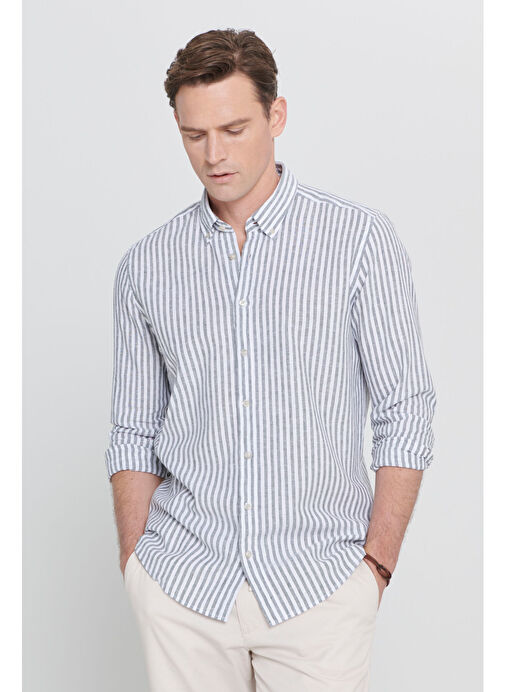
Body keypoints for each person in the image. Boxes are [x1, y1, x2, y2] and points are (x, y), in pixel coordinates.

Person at [104, 27, 437, 692]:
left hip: (318, 586)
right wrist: (137, 564)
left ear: (275, 115)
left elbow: (405, 409)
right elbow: (133, 429)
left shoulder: (358, 241)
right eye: (194, 135)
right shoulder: (146, 265)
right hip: (183, 584)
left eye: (233, 129)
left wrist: (375, 567)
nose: (214, 154)